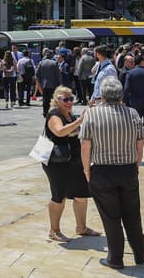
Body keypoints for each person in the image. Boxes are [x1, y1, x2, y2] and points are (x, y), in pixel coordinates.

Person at [80, 77, 144, 270]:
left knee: (111, 216)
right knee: (132, 214)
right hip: (127, 169)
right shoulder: (132, 113)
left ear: (102, 95)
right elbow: (139, 143)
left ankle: (116, 258)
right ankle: (139, 253)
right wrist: (135, 164)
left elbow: (86, 145)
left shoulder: (92, 115)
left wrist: (86, 170)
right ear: (120, 95)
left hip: (102, 170)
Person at [43, 86, 99, 242]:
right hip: (57, 162)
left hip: (74, 161)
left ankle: (81, 227)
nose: (69, 102)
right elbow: (60, 131)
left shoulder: (70, 116)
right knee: (58, 196)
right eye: (65, 99)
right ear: (56, 100)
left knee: (82, 194)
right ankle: (54, 230)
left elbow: (79, 132)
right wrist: (80, 121)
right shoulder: (54, 115)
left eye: (71, 99)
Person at [123, 55, 144, 134]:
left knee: (135, 119)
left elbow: (126, 88)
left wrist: (124, 99)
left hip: (135, 99)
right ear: (142, 62)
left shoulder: (130, 73)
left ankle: (135, 134)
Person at [36, 50, 60, 117]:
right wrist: (59, 83)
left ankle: (45, 112)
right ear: (51, 55)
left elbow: (37, 74)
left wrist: (40, 81)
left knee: (45, 99)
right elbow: (58, 75)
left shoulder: (41, 63)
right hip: (53, 84)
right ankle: (52, 112)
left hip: (44, 84)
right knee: (52, 98)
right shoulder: (54, 63)